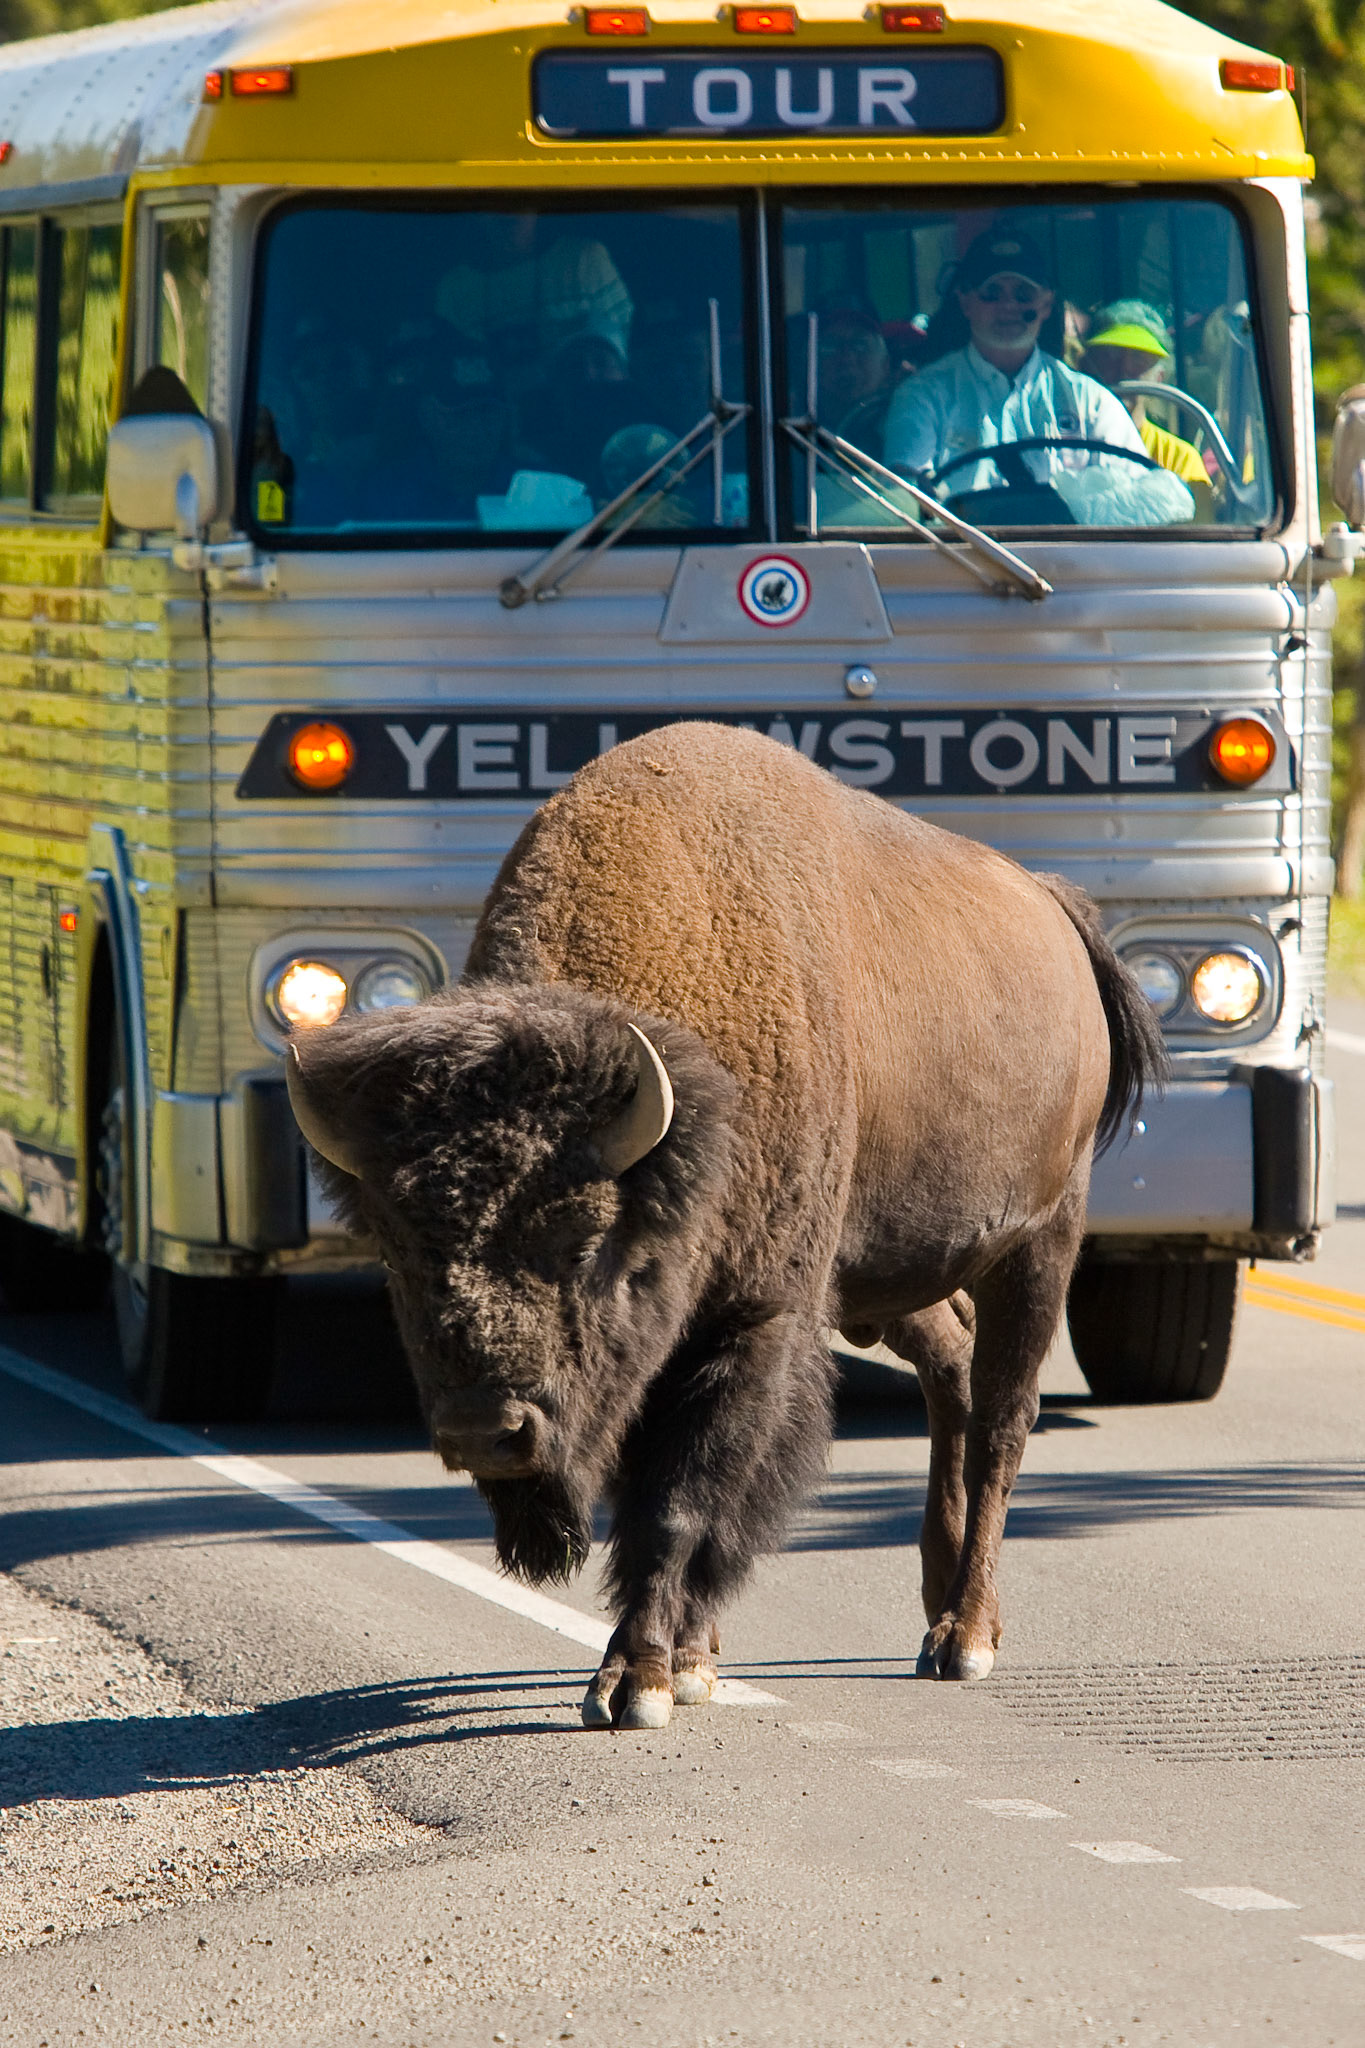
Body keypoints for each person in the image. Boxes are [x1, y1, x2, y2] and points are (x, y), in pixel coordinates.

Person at [882, 228, 1194, 527]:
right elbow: (906, 504)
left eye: (1023, 293)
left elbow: (1139, 502)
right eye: (992, 292)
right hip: (955, 568)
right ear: (965, 301)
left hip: (1077, 572)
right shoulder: (922, 396)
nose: (1008, 306)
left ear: (1045, 304)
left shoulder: (1091, 401)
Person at [1079, 300, 1213, 517]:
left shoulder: (1179, 457)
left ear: (1159, 377)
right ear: (1085, 365)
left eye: (1139, 359)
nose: (1124, 370)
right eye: (1111, 355)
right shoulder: (1064, 446)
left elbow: (1199, 531)